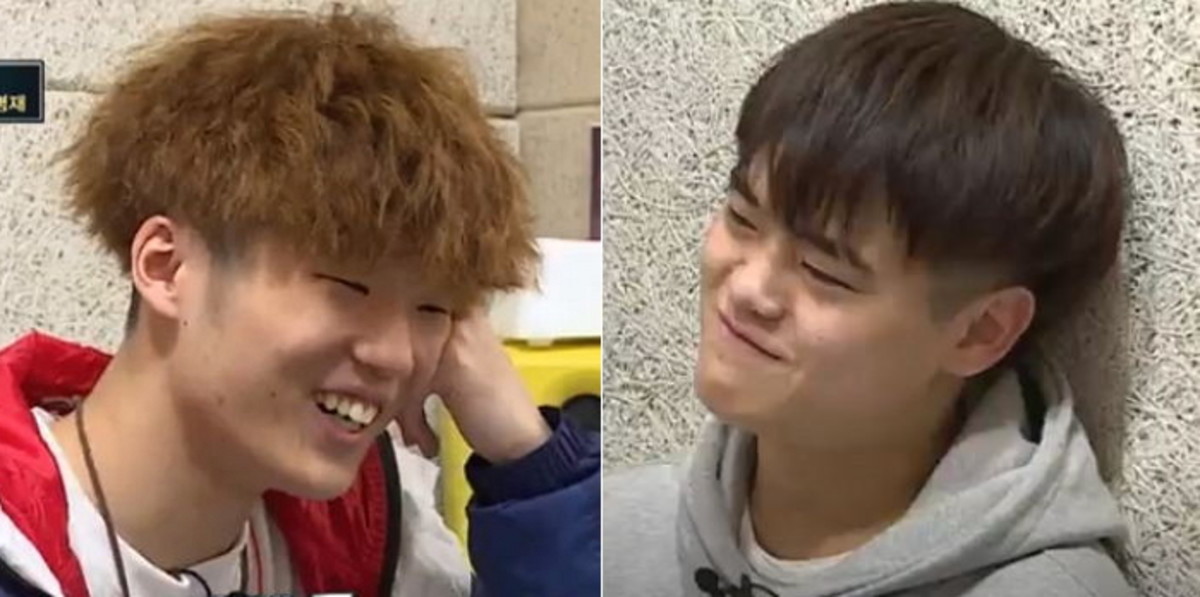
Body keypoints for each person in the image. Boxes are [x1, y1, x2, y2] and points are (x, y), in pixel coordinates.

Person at [0, 7, 599, 597]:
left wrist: (525, 458)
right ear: (167, 266)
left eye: (434, 309)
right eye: (347, 288)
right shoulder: (21, 546)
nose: (396, 356)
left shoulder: (378, 538)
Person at [604, 2, 1134, 596]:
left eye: (824, 271)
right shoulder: (609, 535)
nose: (749, 287)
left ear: (980, 331)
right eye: (742, 218)